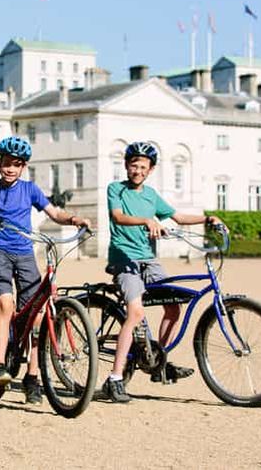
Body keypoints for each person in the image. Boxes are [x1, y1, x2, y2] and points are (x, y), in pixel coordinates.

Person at [0, 136, 91, 405]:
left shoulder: (30, 190)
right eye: (6, 164)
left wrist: (74, 219)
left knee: (36, 315)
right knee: (4, 303)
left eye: (16, 165)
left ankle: (32, 377)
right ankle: (0, 366)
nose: (10, 169)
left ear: (23, 167)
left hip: (25, 253)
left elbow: (53, 212)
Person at [102, 141, 224, 403]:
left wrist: (207, 218)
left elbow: (177, 217)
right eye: (133, 165)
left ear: (150, 169)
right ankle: (114, 378)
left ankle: (158, 360)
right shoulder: (116, 189)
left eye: (142, 167)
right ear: (126, 166)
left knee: (173, 306)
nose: (137, 170)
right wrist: (147, 220)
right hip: (124, 260)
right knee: (135, 313)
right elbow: (117, 216)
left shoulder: (151, 195)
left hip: (149, 260)